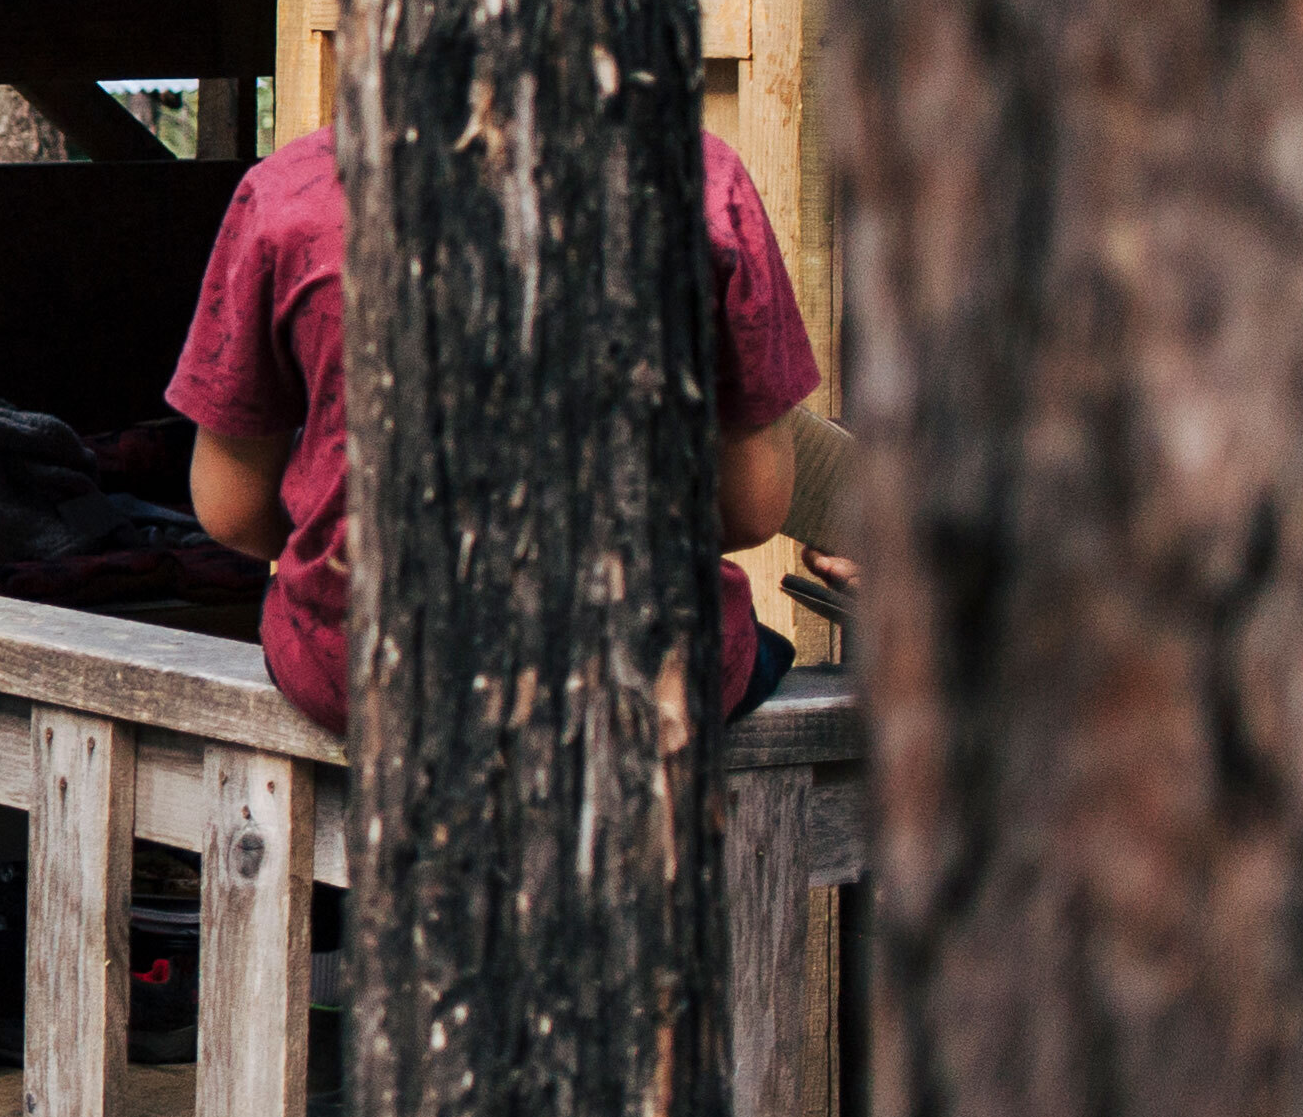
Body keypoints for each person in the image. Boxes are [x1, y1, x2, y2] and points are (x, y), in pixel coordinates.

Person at [165, 125, 822, 732]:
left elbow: (231, 508)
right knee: (755, 647)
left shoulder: (290, 192)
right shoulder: (703, 178)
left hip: (372, 678)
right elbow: (755, 505)